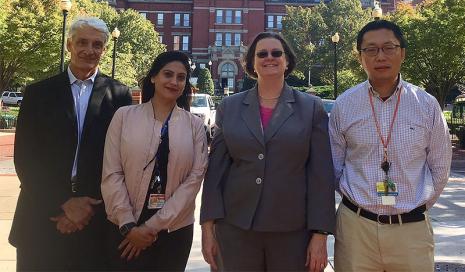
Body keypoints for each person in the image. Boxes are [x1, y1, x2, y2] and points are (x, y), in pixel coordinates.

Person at [201, 32, 335, 272]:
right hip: (236, 229)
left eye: (276, 53)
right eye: (262, 54)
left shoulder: (310, 108)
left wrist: (320, 233)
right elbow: (215, 173)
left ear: (287, 61)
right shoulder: (229, 107)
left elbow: (321, 175)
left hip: (293, 231)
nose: (269, 58)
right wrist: (207, 227)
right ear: (252, 62)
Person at [9, 17, 132, 271]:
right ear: (69, 45)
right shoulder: (38, 93)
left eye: (97, 44)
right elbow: (26, 158)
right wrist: (63, 203)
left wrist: (85, 207)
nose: (89, 50)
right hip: (42, 214)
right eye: (82, 42)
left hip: (94, 220)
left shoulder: (120, 95)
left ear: (105, 50)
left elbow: (121, 159)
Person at [329, 19, 452, 272]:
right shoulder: (345, 105)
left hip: (411, 231)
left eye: (389, 47)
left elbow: (440, 167)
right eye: (371, 49)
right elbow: (333, 166)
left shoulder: (426, 105)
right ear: (360, 57)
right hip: (356, 230)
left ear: (402, 53)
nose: (380, 56)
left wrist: (414, 207)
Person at [101, 50, 208, 271]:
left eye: (181, 77)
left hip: (174, 230)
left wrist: (151, 226)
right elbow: (112, 172)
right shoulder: (124, 116)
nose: (174, 81)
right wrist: (129, 226)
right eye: (167, 74)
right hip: (125, 226)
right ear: (153, 77)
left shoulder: (194, 125)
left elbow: (195, 180)